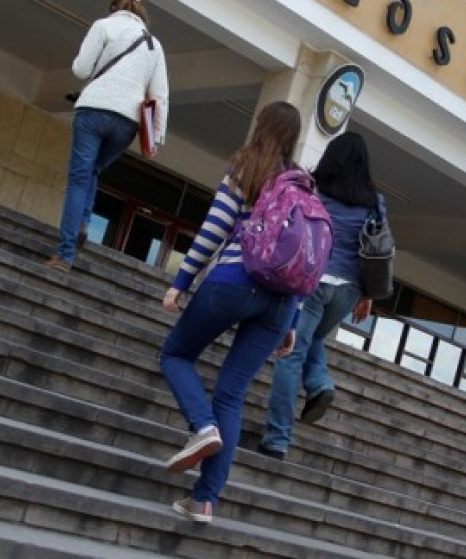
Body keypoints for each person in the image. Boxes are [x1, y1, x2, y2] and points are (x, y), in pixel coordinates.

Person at [158, 101, 304, 524]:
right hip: (279, 301)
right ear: (293, 138)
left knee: (175, 354)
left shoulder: (247, 167)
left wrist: (181, 281)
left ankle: (202, 427)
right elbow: (301, 255)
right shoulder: (300, 185)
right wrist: (292, 321)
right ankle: (204, 501)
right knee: (232, 394)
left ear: (260, 127)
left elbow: (215, 228)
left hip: (234, 282)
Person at [257, 131, 381, 460]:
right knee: (311, 340)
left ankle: (277, 438)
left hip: (311, 282)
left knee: (290, 354)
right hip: (349, 290)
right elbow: (377, 249)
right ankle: (320, 381)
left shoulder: (313, 186)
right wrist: (368, 294)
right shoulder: (375, 202)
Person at [45, 0, 169, 271]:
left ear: (114, 8)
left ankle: (65, 254)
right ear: (142, 15)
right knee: (93, 171)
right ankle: (85, 221)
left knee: (79, 178)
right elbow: (159, 95)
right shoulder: (154, 44)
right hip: (127, 122)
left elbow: (81, 69)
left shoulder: (103, 26)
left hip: (93, 109)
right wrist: (156, 138)